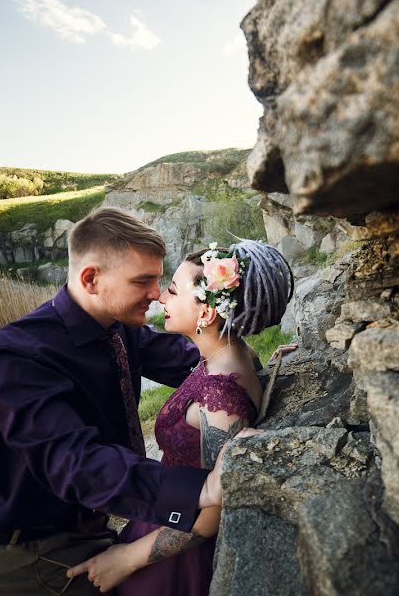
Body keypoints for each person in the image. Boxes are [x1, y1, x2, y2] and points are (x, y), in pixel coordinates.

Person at [0, 208, 233, 596]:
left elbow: (195, 360)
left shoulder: (117, 330)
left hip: (87, 531)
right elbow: (77, 463)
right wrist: (201, 489)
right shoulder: (17, 360)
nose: (156, 293)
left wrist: (242, 358)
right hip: (23, 560)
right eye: (143, 281)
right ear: (91, 279)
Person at [66, 239, 295, 595]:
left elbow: (212, 513)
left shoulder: (220, 398)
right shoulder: (236, 354)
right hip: (166, 516)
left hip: (176, 558)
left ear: (206, 312)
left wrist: (127, 559)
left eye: (173, 291)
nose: (161, 298)